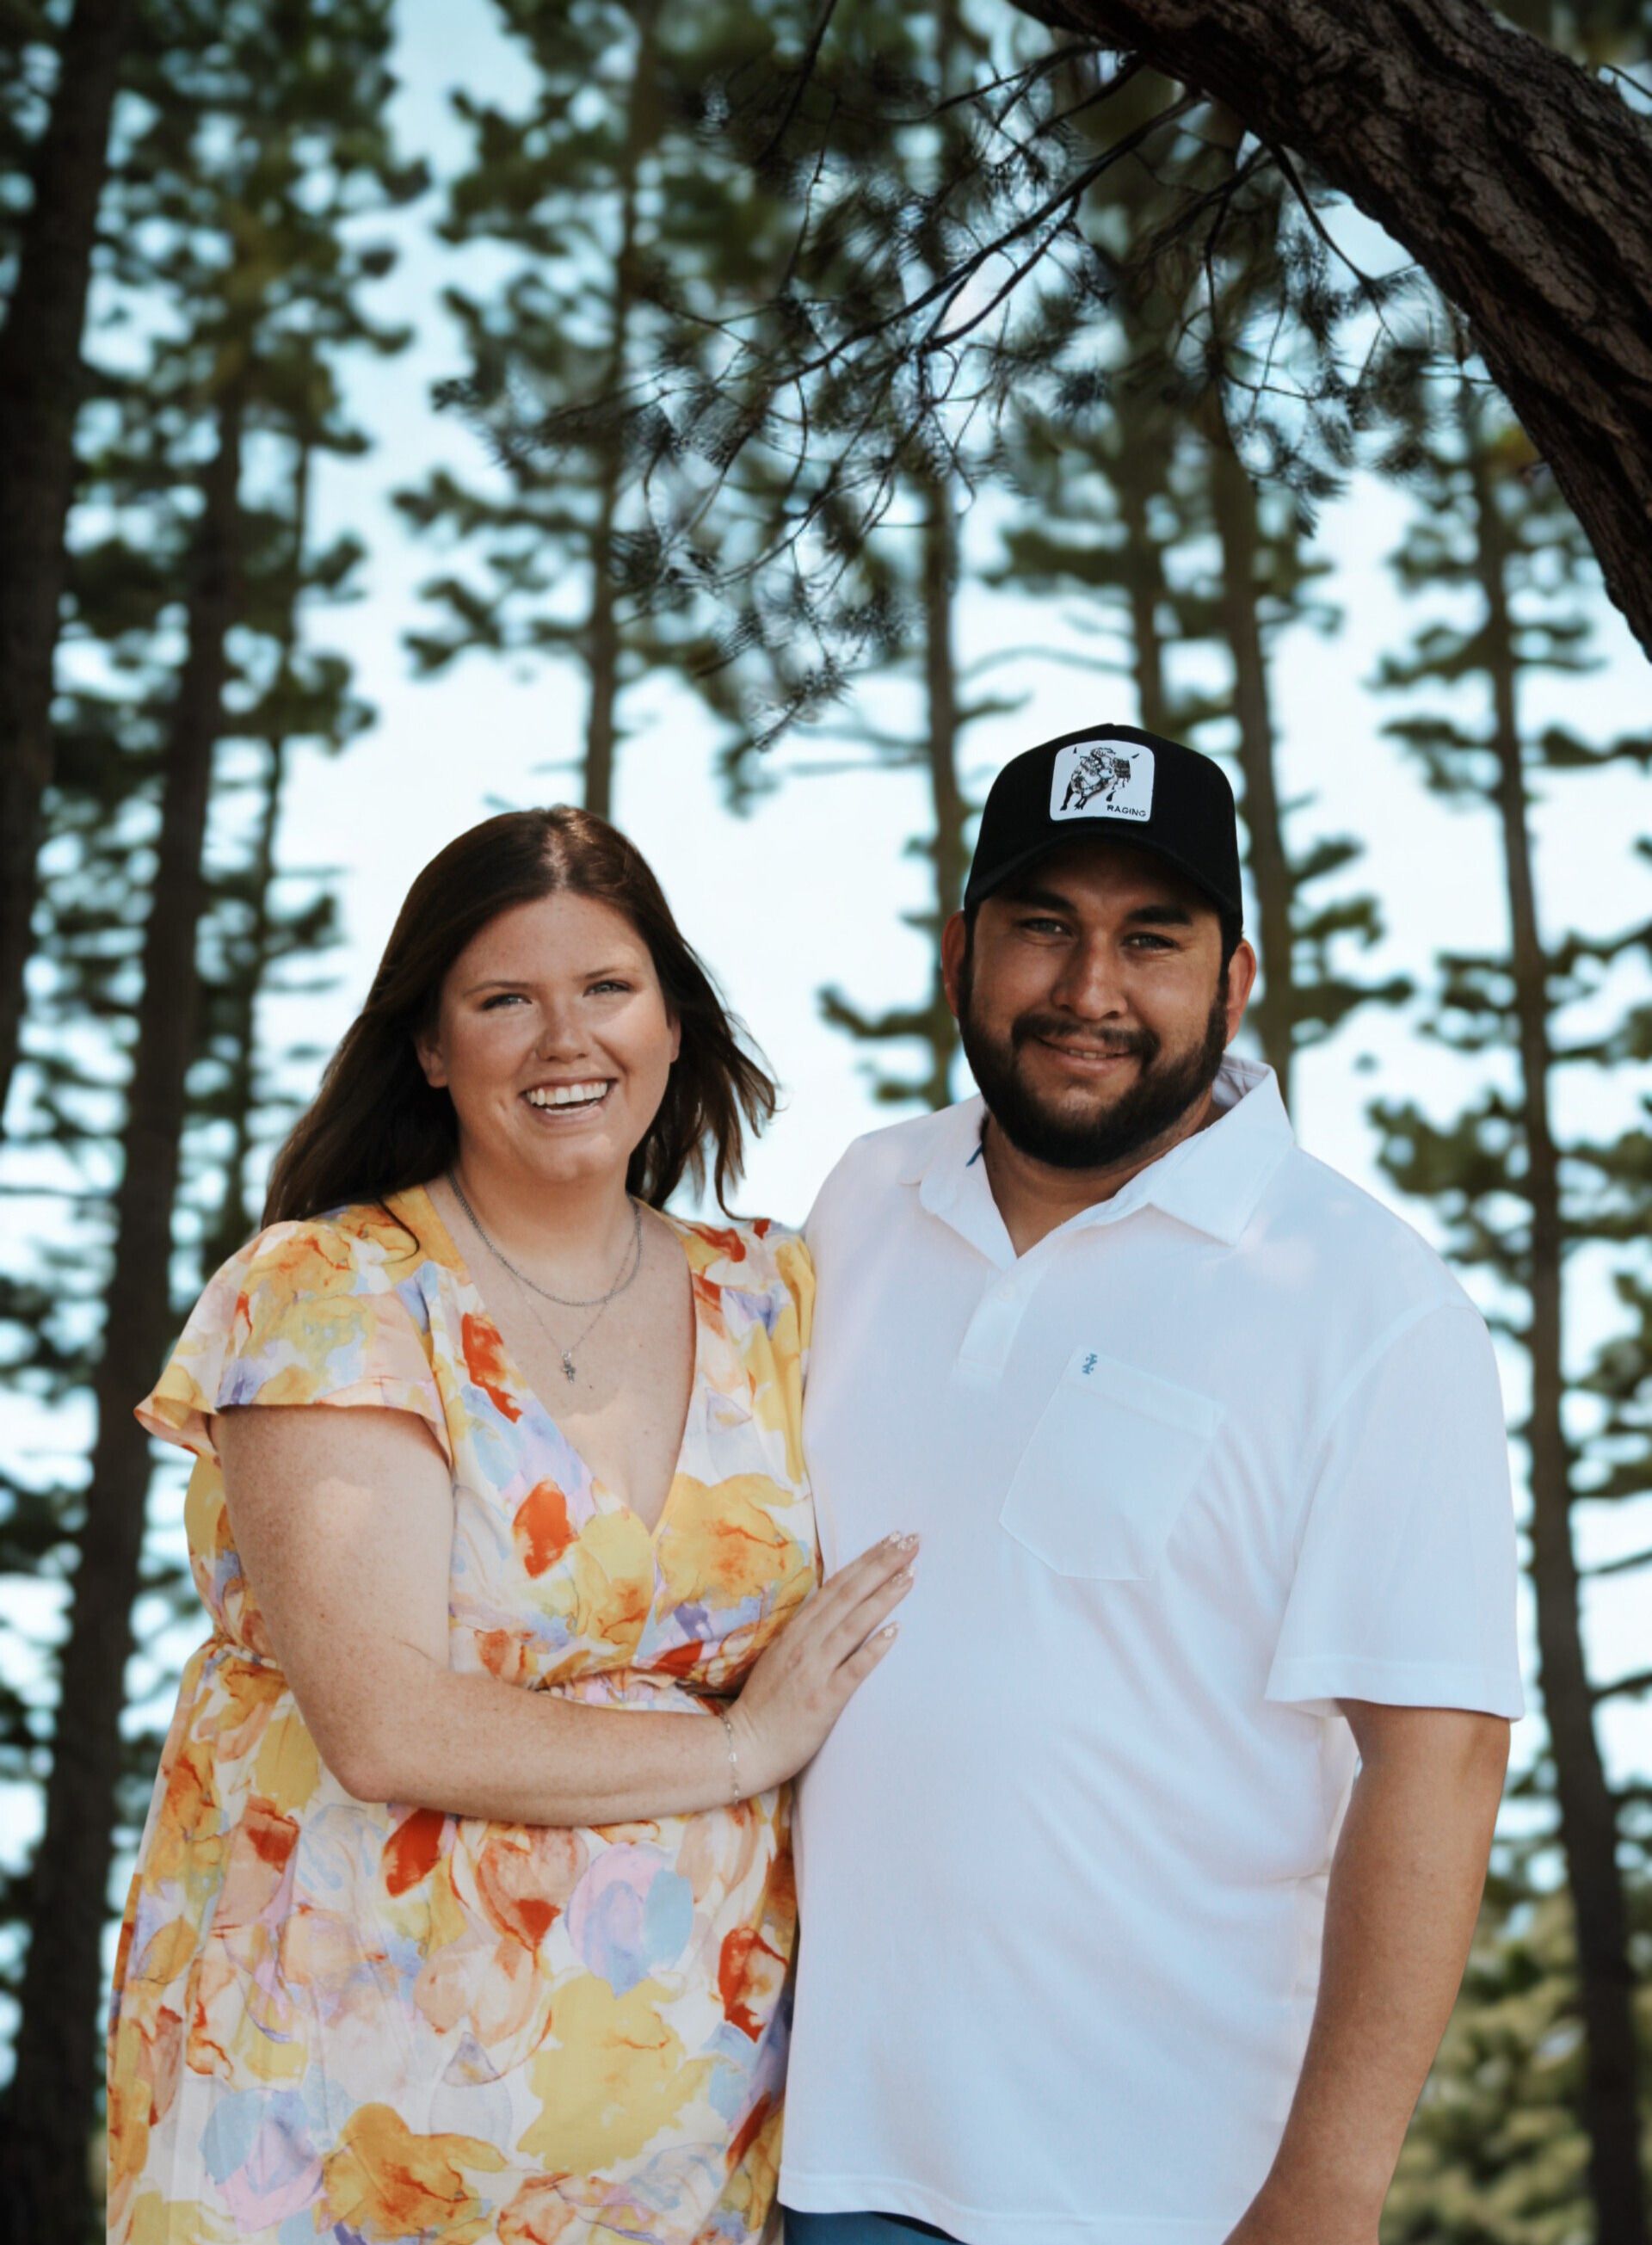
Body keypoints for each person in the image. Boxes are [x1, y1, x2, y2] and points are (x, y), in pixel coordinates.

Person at [107, 805, 914, 2245]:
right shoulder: (337, 1291)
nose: (566, 1040)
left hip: (676, 2159)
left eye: (607, 988)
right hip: (329, 2122)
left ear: (673, 1022)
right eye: (503, 1001)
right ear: (430, 1044)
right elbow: (386, 1722)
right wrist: (736, 1744)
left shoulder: (776, 1296)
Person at [779, 725, 1524, 2245]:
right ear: (960, 951)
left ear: (1235, 977)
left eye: (1150, 938)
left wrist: (1328, 2190)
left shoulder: (1370, 1304)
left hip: (1159, 2189)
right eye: (1042, 926)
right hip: (809, 2152)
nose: (1089, 991)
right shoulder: (863, 1200)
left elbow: (1437, 1761)